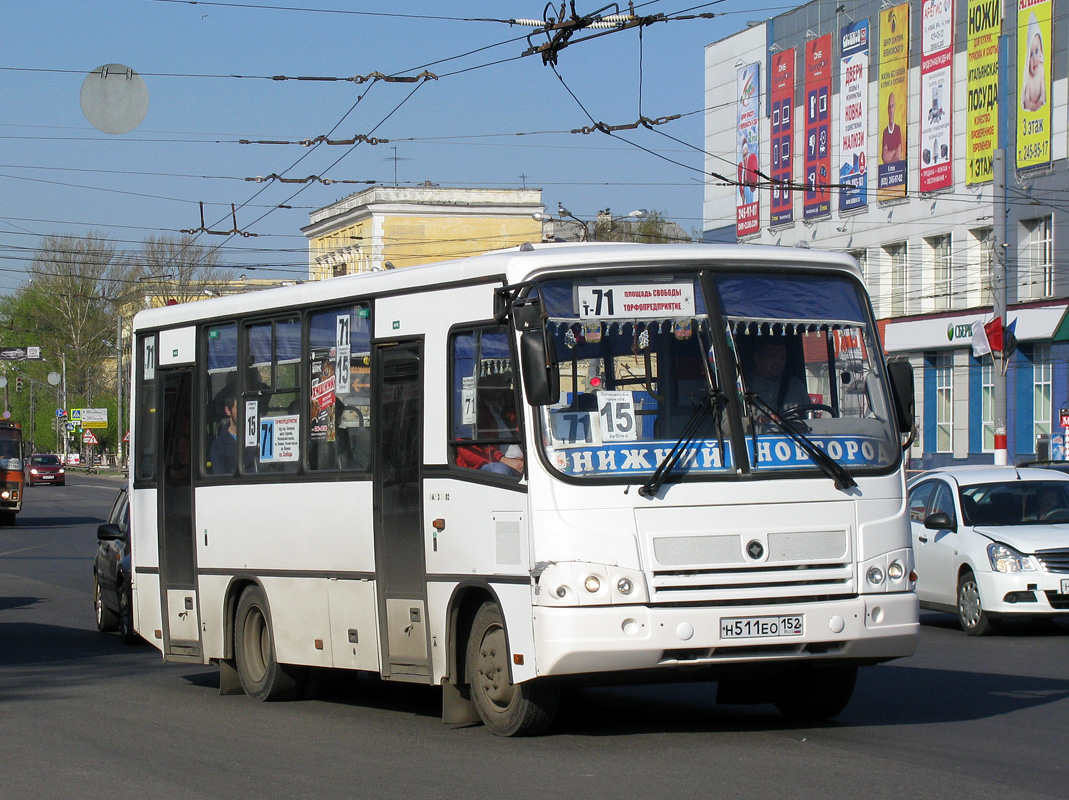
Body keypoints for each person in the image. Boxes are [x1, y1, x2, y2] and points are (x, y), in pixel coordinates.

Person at [455, 374, 523, 477]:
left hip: (520, 461)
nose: (498, 381)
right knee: (500, 470)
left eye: (501, 378)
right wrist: (503, 459)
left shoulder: (510, 406)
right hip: (493, 463)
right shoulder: (473, 413)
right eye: (491, 377)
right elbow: (465, 449)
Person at [745, 339, 809, 417]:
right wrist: (757, 421)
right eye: (772, 356)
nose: (778, 362)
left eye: (782, 357)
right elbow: (728, 421)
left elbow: (811, 417)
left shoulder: (796, 386)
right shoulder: (744, 386)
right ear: (757, 358)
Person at [1020, 14, 1046, 112]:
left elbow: (1043, 91)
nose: (1034, 58)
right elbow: (1026, 100)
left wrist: (1040, 100)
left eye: (1036, 51)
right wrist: (1031, 106)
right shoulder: (1028, 77)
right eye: (1030, 55)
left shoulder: (1041, 70)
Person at [210, 393, 239, 475]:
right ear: (228, 411)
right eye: (238, 408)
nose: (244, 411)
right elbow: (221, 479)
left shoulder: (259, 438)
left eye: (247, 407)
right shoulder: (219, 446)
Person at [881, 92, 903, 163]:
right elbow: (885, 158)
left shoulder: (897, 129)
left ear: (895, 107)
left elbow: (898, 155)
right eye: (890, 106)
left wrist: (890, 153)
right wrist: (894, 151)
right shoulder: (885, 132)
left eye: (892, 106)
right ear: (888, 109)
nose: (891, 110)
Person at [737, 139, 758, 203]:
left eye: (746, 155)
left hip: (750, 189)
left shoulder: (750, 164)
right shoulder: (741, 166)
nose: (745, 158)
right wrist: (742, 196)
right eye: (744, 156)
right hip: (745, 189)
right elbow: (740, 181)